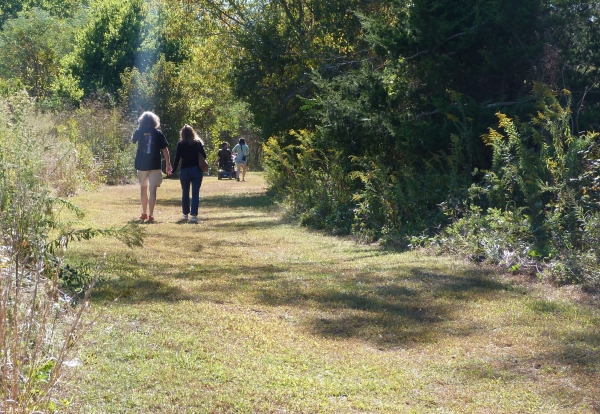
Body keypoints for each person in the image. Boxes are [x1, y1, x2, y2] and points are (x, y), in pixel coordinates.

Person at [131, 111, 171, 222]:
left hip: (142, 164)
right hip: (155, 165)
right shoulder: (158, 133)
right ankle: (151, 214)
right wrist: (168, 163)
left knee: (143, 189)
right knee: (153, 190)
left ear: (141, 121)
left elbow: (133, 140)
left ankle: (144, 213)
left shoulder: (138, 131)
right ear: (154, 122)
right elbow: (165, 149)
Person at [171, 124, 207, 223]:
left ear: (182, 134)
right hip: (196, 170)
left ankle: (185, 214)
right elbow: (204, 155)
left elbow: (177, 158)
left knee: (185, 193)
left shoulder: (181, 144)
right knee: (195, 193)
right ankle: (194, 215)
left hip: (184, 170)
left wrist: (173, 170)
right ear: (192, 132)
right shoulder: (197, 143)